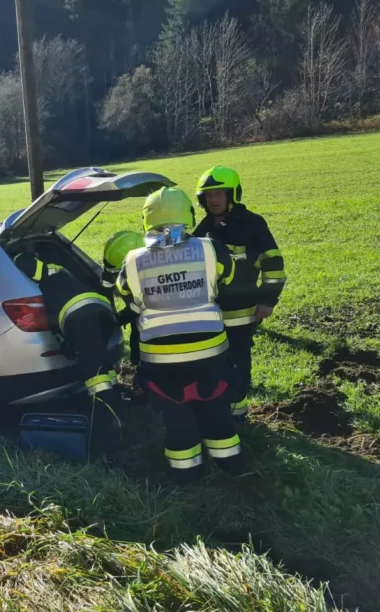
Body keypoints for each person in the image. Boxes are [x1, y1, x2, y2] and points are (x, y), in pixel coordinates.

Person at [116, 187, 240, 482]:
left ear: (147, 220)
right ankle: (231, 464)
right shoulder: (210, 248)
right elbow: (229, 275)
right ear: (188, 214)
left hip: (160, 361)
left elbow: (126, 294)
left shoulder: (132, 260)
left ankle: (186, 474)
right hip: (210, 353)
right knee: (216, 411)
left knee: (176, 419)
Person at [193, 166, 286, 421]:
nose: (214, 200)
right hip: (211, 314)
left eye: (219, 194)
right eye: (209, 195)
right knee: (212, 364)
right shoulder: (200, 230)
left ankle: (237, 414)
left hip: (243, 313)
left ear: (233, 195)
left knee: (237, 363)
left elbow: (274, 264)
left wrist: (268, 301)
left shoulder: (252, 224)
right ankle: (216, 407)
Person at [14, 252, 123, 455]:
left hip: (80, 317)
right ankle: (119, 403)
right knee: (103, 365)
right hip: (103, 312)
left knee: (96, 378)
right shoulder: (62, 271)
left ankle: (108, 430)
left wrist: (16, 256)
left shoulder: (45, 271)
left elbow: (24, 262)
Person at [102, 231, 146, 393]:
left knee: (141, 334)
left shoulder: (146, 272)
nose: (115, 277)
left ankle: (143, 374)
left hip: (150, 317)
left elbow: (139, 306)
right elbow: (105, 287)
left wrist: (121, 317)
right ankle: (137, 365)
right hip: (136, 309)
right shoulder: (113, 262)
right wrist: (110, 314)